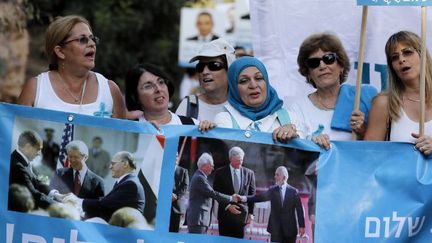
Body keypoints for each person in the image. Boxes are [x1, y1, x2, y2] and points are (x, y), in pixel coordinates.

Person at [17, 15, 126, 118]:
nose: (92, 43)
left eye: (92, 38)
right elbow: (17, 133)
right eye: (82, 40)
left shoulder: (111, 90)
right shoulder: (35, 89)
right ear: (60, 52)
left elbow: (121, 137)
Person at [290, 32, 376, 149]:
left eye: (328, 59)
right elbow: (295, 152)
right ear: (308, 73)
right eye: (314, 63)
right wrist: (312, 145)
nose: (322, 66)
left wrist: (363, 131)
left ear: (341, 66)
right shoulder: (297, 109)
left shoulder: (362, 98)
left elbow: (379, 147)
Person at [365, 30, 432, 155]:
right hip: (400, 174)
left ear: (422, 55)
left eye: (407, 52)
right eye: (394, 57)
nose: (401, 59)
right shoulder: (384, 103)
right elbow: (370, 157)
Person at [213, 56, 305, 143]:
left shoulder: (290, 118)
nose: (253, 85)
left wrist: (295, 140)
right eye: (244, 81)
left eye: (259, 78)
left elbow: (304, 156)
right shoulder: (224, 120)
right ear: (234, 88)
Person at [64, 151, 145, 221]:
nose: (110, 167)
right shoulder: (126, 182)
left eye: (113, 163)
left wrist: (77, 201)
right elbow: (108, 204)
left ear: (125, 164)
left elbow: (104, 204)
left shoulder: (130, 184)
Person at [238, 166, 305, 243]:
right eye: (275, 174)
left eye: (277, 175)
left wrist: (302, 226)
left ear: (284, 177)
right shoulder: (272, 190)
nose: (275, 177)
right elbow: (259, 198)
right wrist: (243, 198)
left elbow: (299, 210)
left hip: (290, 230)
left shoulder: (294, 192)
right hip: (275, 230)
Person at [176, 38, 236, 121]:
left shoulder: (242, 106)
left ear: (229, 70)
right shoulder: (188, 105)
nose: (204, 72)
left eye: (214, 65)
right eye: (200, 67)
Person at [125, 63, 197, 126]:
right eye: (148, 86)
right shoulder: (130, 131)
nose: (158, 89)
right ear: (135, 96)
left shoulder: (192, 125)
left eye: (161, 82)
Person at [9, 130, 66, 209]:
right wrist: (61, 207)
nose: (39, 154)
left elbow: (36, 182)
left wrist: (55, 194)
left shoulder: (23, 162)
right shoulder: (18, 167)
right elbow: (33, 194)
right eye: (38, 149)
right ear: (28, 147)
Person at [187, 152, 241, 234]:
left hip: (199, 220)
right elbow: (213, 194)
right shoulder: (199, 178)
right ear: (205, 165)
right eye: (212, 165)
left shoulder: (199, 177)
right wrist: (231, 198)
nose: (213, 168)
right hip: (198, 220)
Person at [213, 146, 256, 238]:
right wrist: (228, 206)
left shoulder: (249, 173)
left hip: (241, 217)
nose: (239, 163)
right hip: (225, 216)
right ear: (230, 159)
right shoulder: (220, 172)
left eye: (241, 160)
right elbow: (216, 193)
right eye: (237, 161)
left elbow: (252, 195)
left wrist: (251, 214)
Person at [170, 158, 189, 232]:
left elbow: (185, 187)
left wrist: (176, 196)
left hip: (176, 208)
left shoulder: (184, 171)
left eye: (177, 155)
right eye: (174, 155)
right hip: (164, 207)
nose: (176, 157)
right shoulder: (163, 170)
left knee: (174, 233)